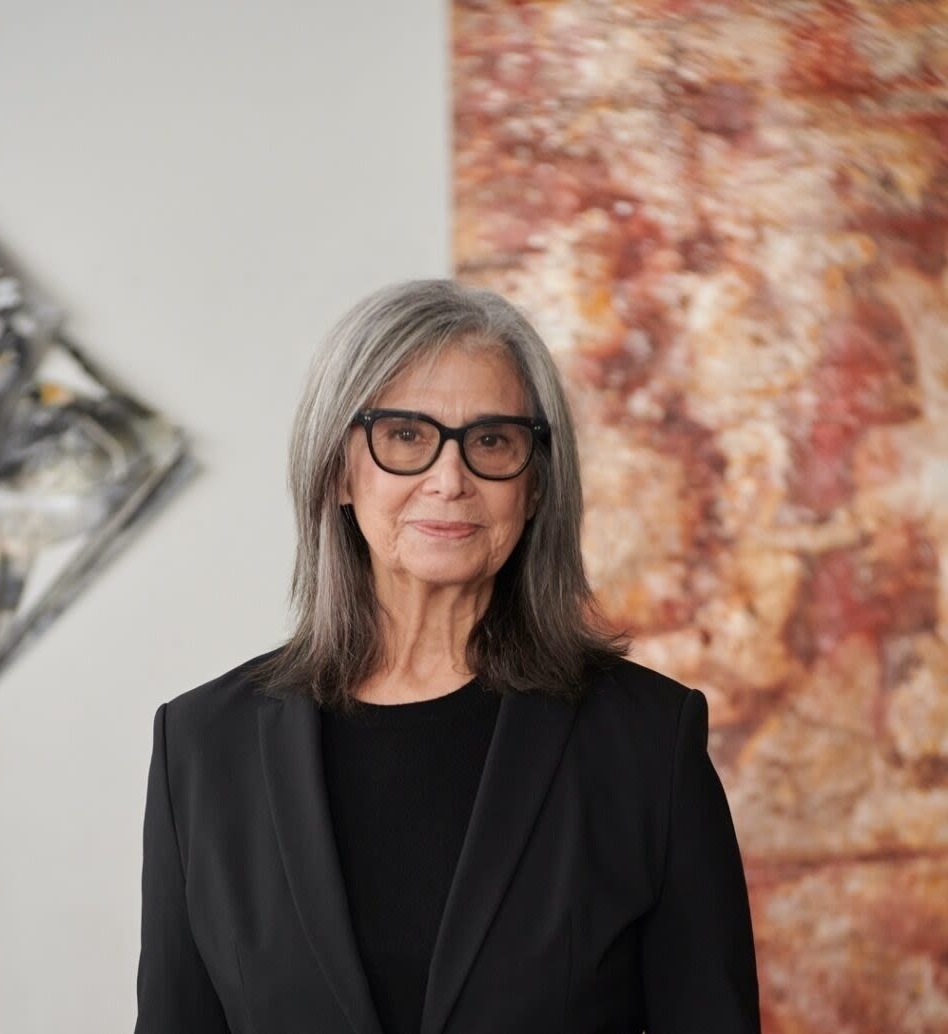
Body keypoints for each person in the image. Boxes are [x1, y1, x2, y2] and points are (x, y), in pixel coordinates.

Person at [134, 278, 761, 1034]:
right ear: (338, 469)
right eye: (405, 436)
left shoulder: (648, 742)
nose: (449, 479)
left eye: (492, 440)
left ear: (535, 486)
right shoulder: (201, 748)